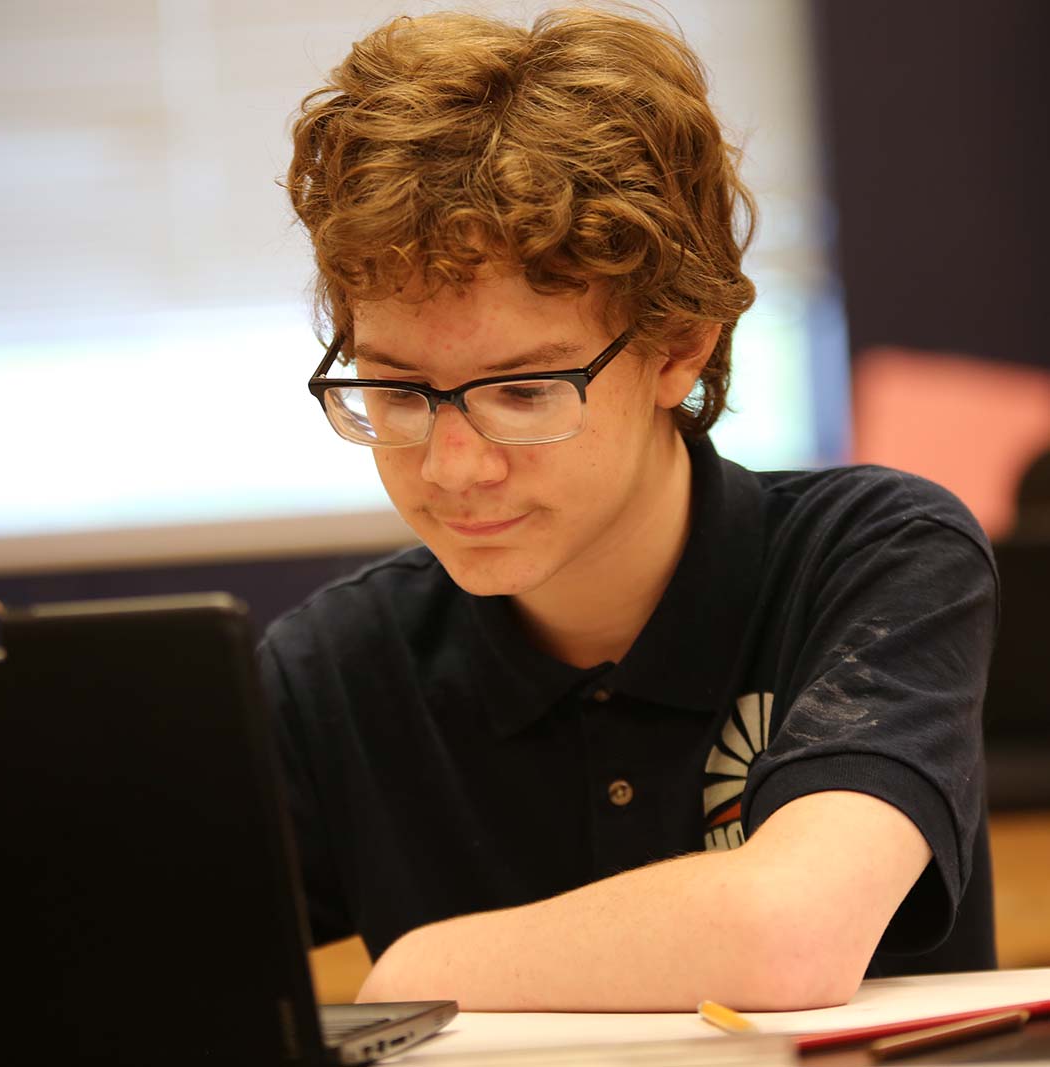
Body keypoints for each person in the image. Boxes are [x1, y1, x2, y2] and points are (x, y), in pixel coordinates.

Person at [259, 6, 997, 1012]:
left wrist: (417, 974)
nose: (453, 466)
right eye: (397, 392)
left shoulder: (878, 555)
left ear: (678, 346)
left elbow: (789, 929)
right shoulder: (330, 667)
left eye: (521, 392)